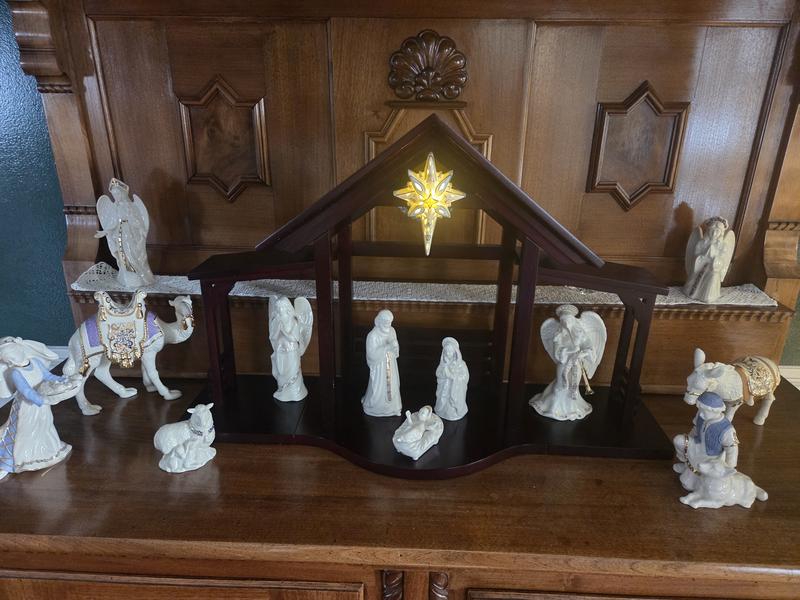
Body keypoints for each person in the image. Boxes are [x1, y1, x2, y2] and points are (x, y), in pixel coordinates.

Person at [0, 339, 73, 481]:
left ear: (20, 351)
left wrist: (62, 380)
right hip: (27, 407)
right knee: (24, 432)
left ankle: (47, 452)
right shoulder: (15, 372)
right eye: (9, 359)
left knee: (44, 426)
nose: (12, 361)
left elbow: (48, 376)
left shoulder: (35, 362)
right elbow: (26, 391)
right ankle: (11, 462)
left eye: (13, 356)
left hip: (42, 404)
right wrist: (42, 400)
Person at [268, 296, 313, 402]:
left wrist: (284, 331)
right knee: (281, 373)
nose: (280, 310)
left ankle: (295, 392)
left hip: (291, 351)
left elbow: (295, 338)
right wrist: (277, 329)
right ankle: (283, 391)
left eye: (282, 307)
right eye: (278, 308)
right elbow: (272, 337)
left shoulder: (293, 321)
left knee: (292, 373)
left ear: (286, 307)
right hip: (280, 350)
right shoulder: (276, 321)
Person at [362, 309, 401, 417]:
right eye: (386, 322)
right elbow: (371, 354)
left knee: (393, 385)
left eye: (390, 322)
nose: (388, 325)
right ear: (379, 321)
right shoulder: (373, 335)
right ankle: (376, 408)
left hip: (391, 365)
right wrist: (387, 347)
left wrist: (395, 346)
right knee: (378, 388)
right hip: (380, 367)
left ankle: (394, 408)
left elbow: (395, 350)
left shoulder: (392, 331)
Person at [434, 337, 469, 421]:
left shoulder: (461, 364)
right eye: (446, 352)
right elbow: (438, 373)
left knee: (452, 403)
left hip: (454, 390)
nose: (448, 353)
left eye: (450, 351)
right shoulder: (443, 364)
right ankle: (442, 411)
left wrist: (454, 378)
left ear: (455, 352)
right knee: (443, 401)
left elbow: (465, 377)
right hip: (444, 390)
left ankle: (455, 411)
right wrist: (445, 370)